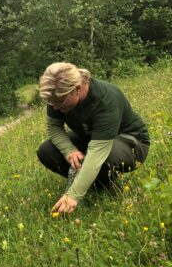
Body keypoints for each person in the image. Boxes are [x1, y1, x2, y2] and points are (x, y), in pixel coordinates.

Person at [36, 62, 150, 215]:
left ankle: (105, 185)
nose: (55, 108)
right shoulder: (57, 95)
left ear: (77, 89)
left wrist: (73, 194)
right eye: (51, 103)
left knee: (101, 158)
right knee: (46, 151)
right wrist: (69, 151)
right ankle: (96, 184)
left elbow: (97, 153)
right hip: (92, 138)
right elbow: (54, 127)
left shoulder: (105, 99)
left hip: (131, 142)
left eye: (60, 102)